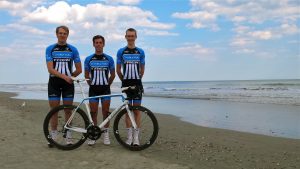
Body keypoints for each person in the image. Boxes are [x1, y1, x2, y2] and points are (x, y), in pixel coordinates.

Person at [45, 25, 82, 145]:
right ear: (56, 34)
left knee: (68, 110)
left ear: (67, 35)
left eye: (64, 33)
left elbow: (79, 69)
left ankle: (68, 135)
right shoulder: (50, 49)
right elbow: (50, 69)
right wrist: (65, 76)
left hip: (68, 84)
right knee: (54, 110)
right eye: (60, 33)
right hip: (54, 83)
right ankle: (54, 136)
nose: (62, 35)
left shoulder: (73, 49)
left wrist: (70, 77)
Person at [84, 35, 115, 145]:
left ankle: (106, 135)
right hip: (93, 90)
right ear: (93, 44)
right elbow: (86, 75)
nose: (98, 44)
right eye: (96, 42)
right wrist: (92, 85)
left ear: (103, 44)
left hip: (105, 89)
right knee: (93, 113)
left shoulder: (109, 59)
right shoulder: (88, 59)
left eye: (100, 42)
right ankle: (93, 135)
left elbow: (113, 74)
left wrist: (107, 84)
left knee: (106, 113)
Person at [116, 28, 145, 146]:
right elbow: (118, 70)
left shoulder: (140, 52)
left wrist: (137, 80)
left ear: (136, 37)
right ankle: (129, 137)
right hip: (126, 83)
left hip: (137, 83)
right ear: (125, 37)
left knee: (137, 111)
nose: (130, 38)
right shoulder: (121, 51)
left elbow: (142, 70)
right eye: (128, 36)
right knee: (128, 111)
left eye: (132, 36)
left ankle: (136, 138)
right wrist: (124, 81)